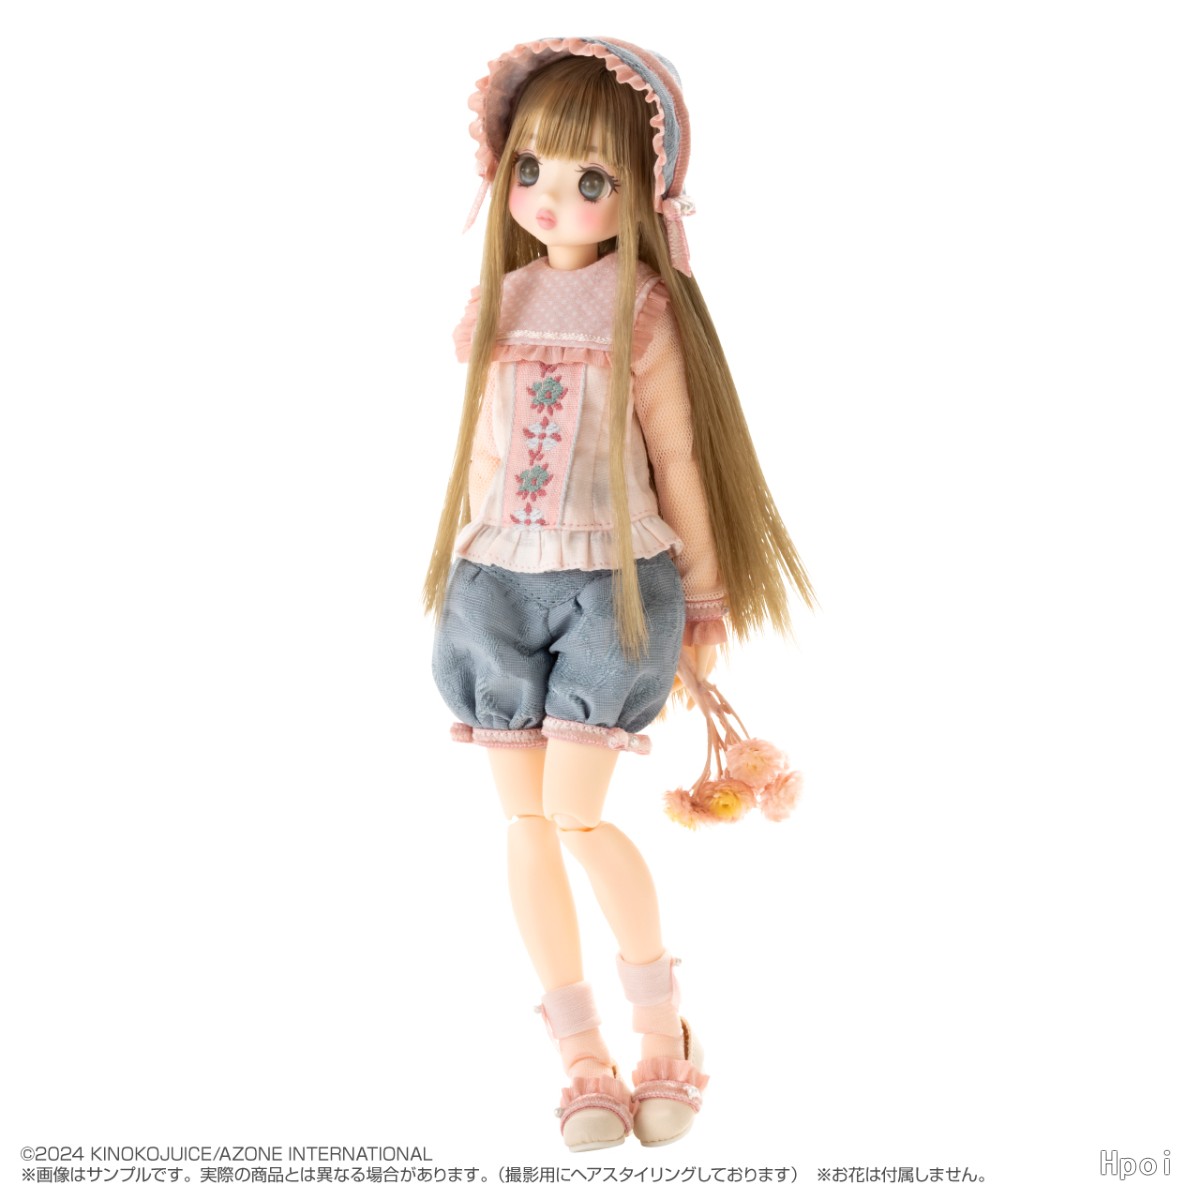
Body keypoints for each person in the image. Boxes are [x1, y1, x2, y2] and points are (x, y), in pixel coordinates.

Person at [424, 37, 814, 1151]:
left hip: (612, 589)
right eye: (532, 169)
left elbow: (680, 460)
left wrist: (705, 597)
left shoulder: (639, 310)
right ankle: (580, 1056)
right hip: (495, 583)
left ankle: (660, 1029)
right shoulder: (498, 303)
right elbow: (485, 457)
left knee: (577, 814)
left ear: (644, 193)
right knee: (524, 823)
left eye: (590, 178)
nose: (553, 197)